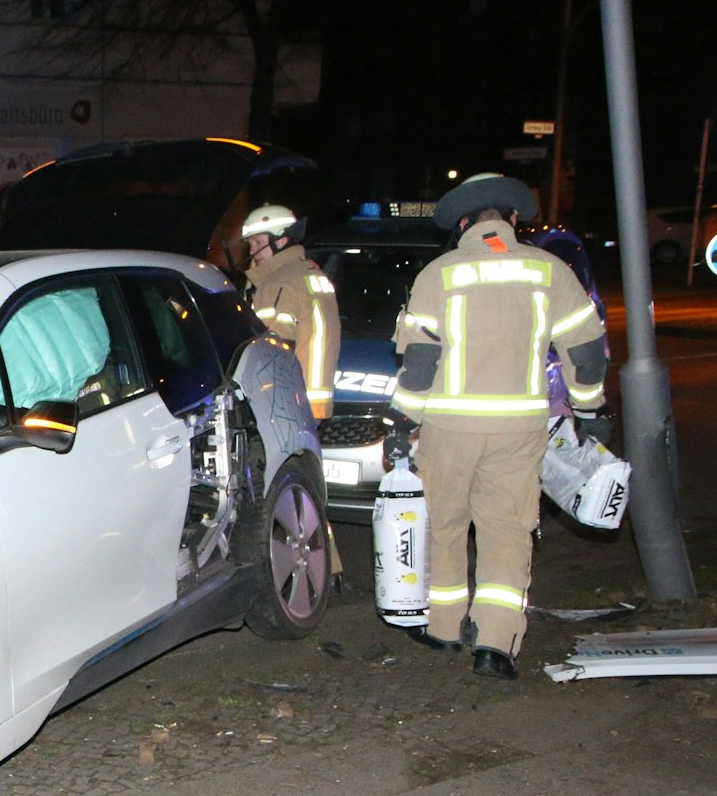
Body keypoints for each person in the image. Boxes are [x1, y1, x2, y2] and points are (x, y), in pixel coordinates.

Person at [386, 173, 609, 680]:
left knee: (445, 527)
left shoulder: (438, 274)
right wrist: (592, 412)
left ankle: (444, 629)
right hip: (518, 430)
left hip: (447, 430)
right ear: (512, 219)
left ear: (462, 222)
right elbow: (586, 354)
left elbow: (420, 364)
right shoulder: (548, 270)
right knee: (506, 533)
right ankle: (495, 644)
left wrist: (401, 421)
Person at [241, 204, 341, 420]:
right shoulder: (308, 271)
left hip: (287, 400)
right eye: (249, 243)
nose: (251, 251)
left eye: (258, 242)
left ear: (281, 240)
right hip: (310, 397)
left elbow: (267, 347)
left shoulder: (279, 281)